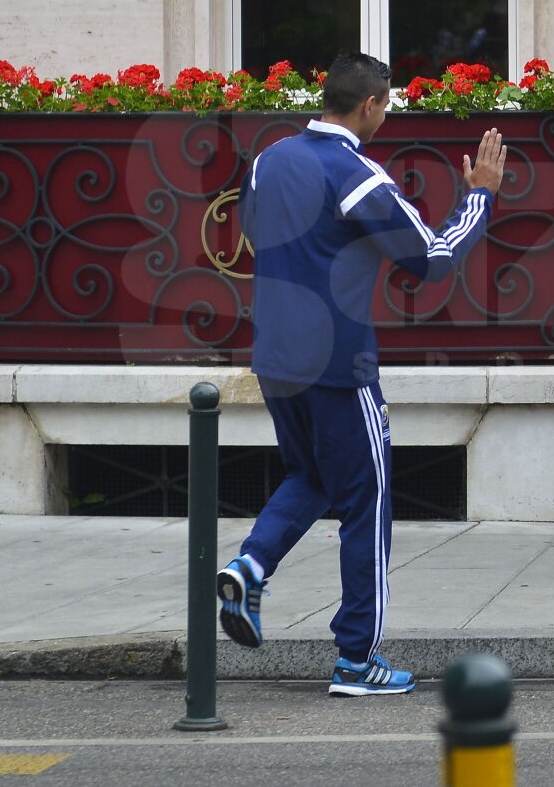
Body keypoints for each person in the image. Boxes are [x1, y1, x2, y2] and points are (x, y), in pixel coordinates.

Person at [216, 52, 506, 693]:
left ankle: (250, 566)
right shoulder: (358, 174)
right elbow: (432, 259)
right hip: (339, 363)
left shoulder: (270, 158)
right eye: (386, 106)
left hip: (275, 355)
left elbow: (256, 233)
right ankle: (356, 659)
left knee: (312, 476)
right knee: (367, 504)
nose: (386, 115)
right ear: (370, 105)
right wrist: (480, 194)